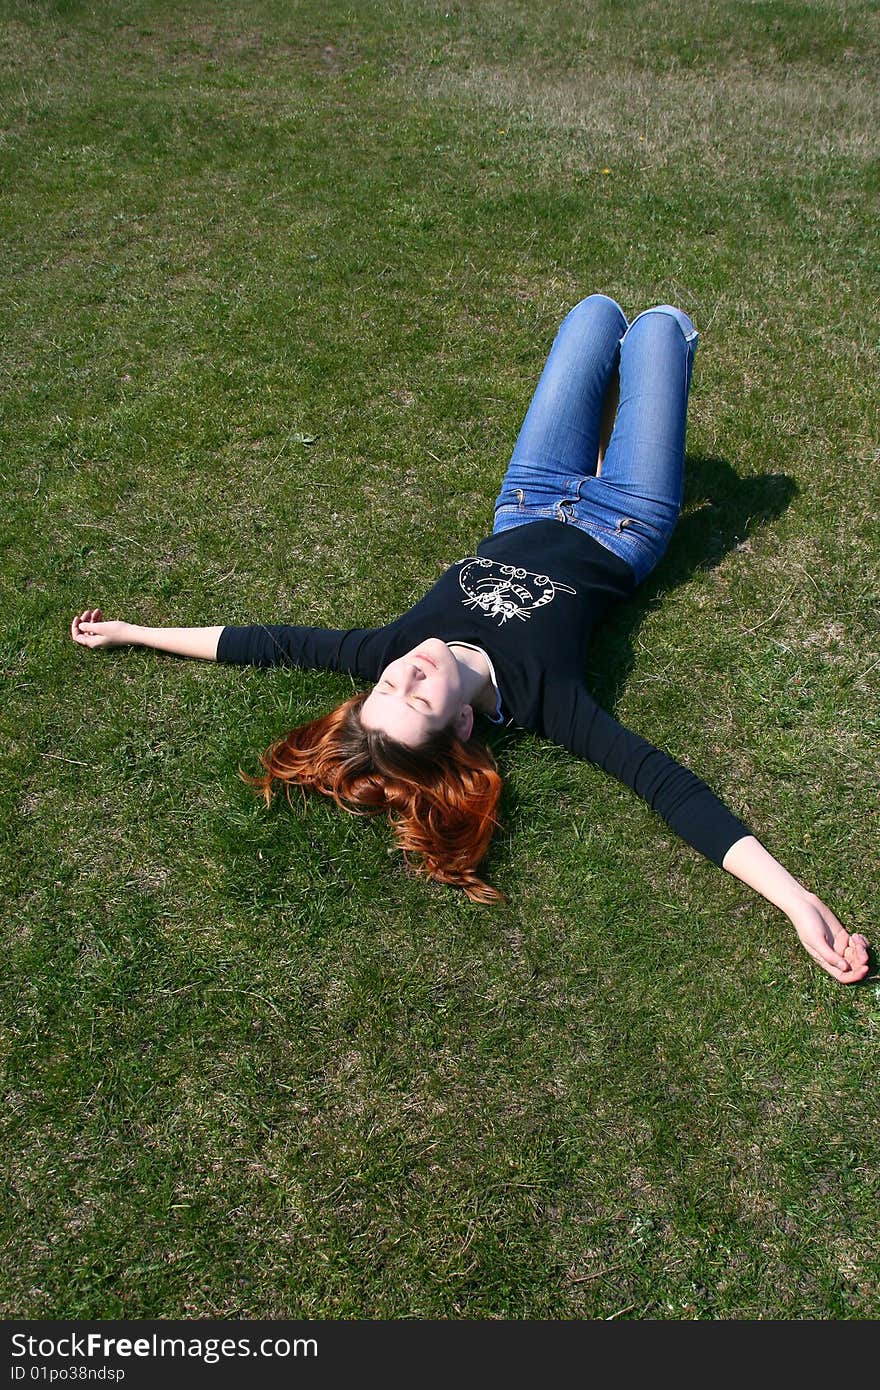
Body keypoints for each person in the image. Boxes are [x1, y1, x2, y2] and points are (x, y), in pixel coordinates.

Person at [71, 293, 871, 985]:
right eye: (415, 697)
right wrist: (797, 902)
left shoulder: (387, 649)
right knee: (660, 328)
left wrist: (135, 632)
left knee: (594, 316)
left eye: (386, 687)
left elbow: (265, 641)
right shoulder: (543, 698)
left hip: (529, 496)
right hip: (627, 520)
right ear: (460, 724)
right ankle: (631, 416)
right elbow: (666, 787)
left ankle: (600, 431)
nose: (405, 675)